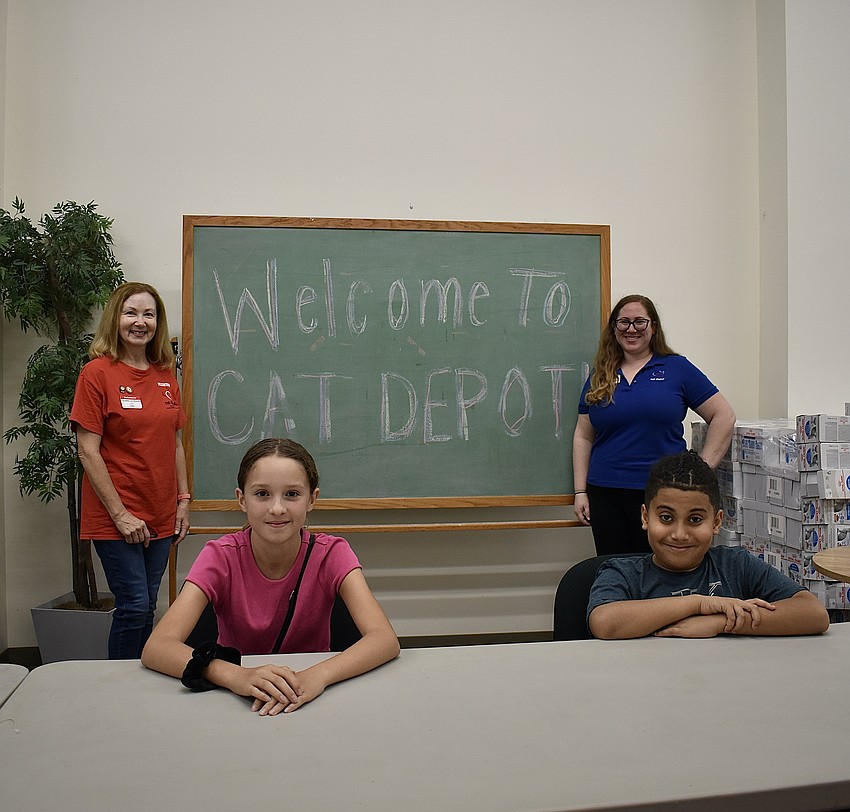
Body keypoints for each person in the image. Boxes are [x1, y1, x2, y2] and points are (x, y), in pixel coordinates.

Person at [141, 438, 400, 715]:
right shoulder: (220, 556)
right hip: (236, 703)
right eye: (262, 494)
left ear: (312, 499)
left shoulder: (332, 554)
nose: (277, 508)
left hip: (311, 701)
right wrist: (235, 676)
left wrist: (317, 676)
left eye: (292, 494)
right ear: (242, 499)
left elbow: (384, 639)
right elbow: (157, 647)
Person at [587, 451, 830, 639]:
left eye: (695, 520)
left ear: (716, 522)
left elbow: (814, 614)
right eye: (666, 518)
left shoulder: (735, 565)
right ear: (644, 518)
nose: (679, 534)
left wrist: (720, 622)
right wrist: (700, 603)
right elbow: (604, 622)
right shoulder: (622, 573)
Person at [71, 282, 190, 659]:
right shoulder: (97, 373)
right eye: (131, 313)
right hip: (116, 516)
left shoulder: (165, 375)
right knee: (134, 606)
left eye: (149, 314)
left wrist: (183, 501)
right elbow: (87, 451)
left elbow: (175, 444)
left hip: (160, 512)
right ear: (115, 319)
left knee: (148, 607)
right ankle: (117, 690)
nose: (140, 322)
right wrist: (121, 515)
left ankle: (143, 683)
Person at [572, 294, 736, 555]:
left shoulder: (676, 368)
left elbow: (724, 416)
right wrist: (580, 491)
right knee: (613, 568)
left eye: (639, 322)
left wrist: (701, 470)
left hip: (661, 493)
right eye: (623, 322)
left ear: (653, 327)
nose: (631, 329)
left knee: (657, 570)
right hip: (605, 492)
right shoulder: (600, 373)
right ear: (614, 329)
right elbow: (583, 435)